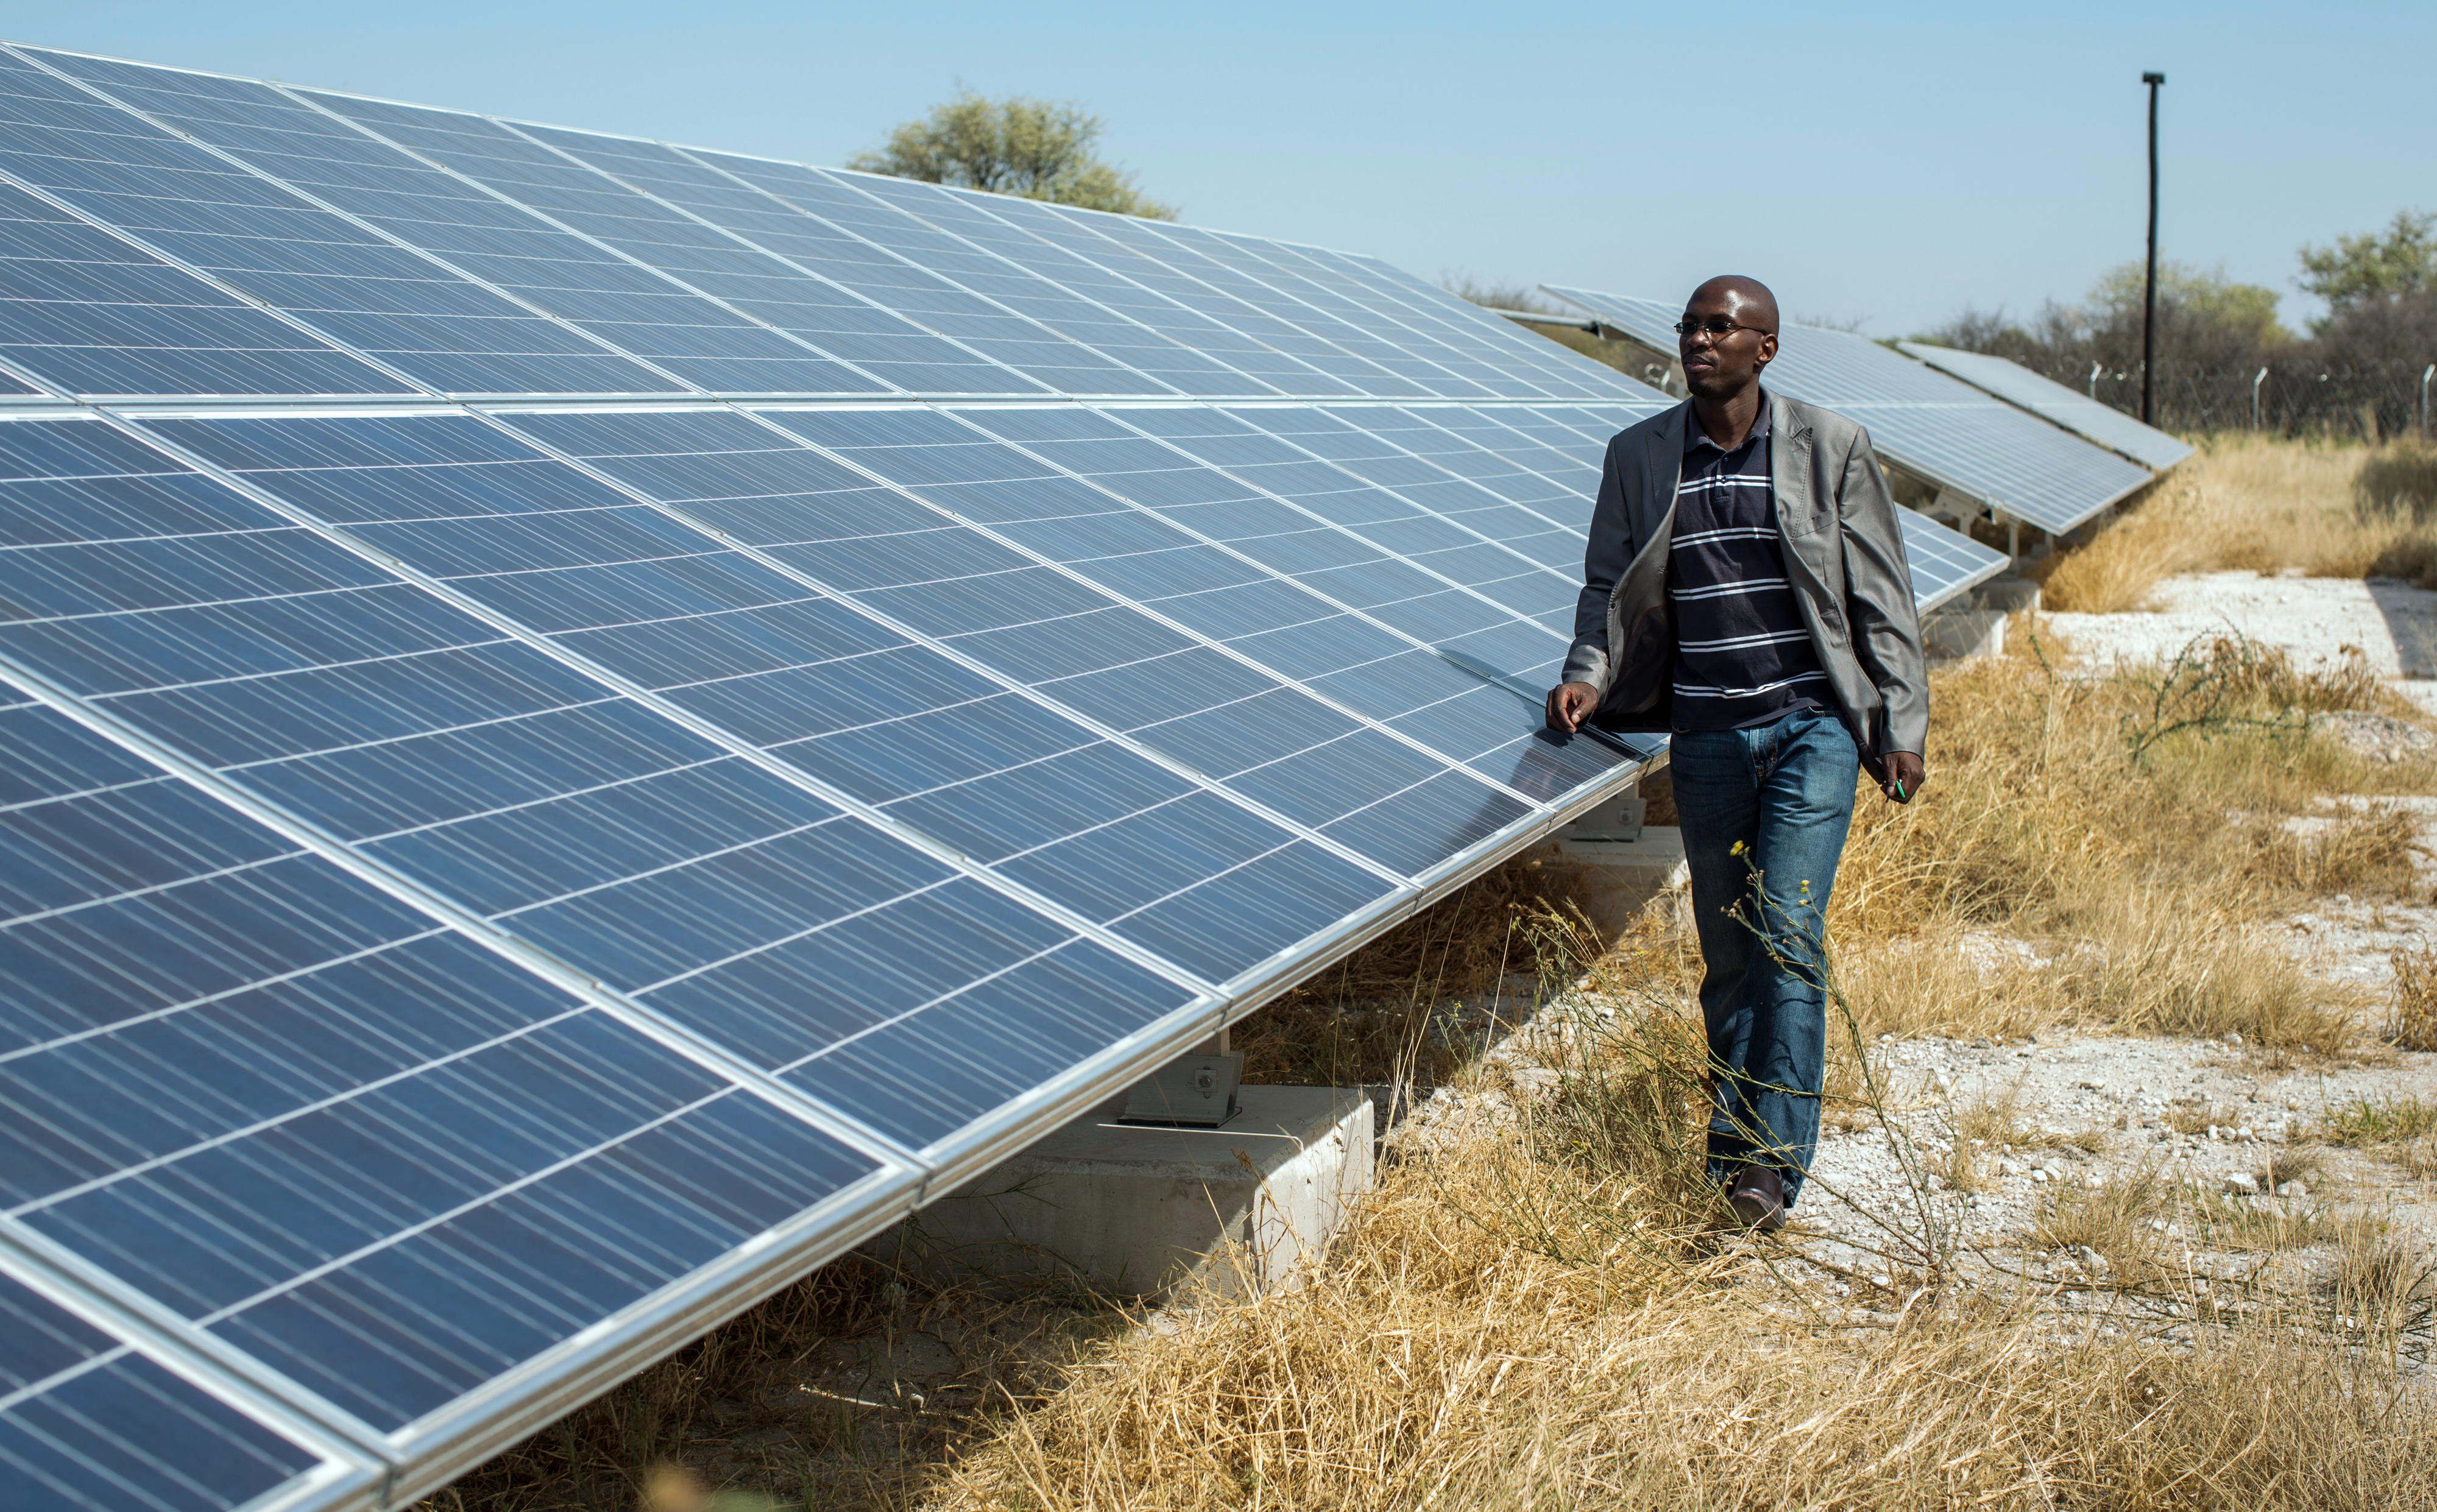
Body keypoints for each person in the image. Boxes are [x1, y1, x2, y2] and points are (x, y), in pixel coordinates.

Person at [1544, 275, 1928, 1232]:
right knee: (1728, 955)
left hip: (1810, 728)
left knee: (1787, 935)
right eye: (1689, 326)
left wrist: (1900, 724)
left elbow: (1882, 594)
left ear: (1766, 347)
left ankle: (1764, 1170)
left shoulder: (1827, 448)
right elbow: (1605, 584)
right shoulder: (1639, 456)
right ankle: (1737, 1141)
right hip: (1706, 734)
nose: (1698, 340)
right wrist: (1589, 671)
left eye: (1721, 327)